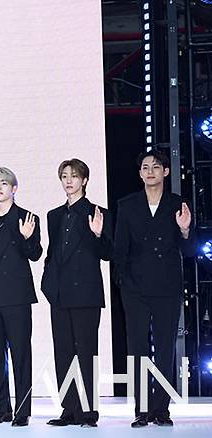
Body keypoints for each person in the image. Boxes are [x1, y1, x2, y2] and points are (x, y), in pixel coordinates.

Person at [113, 149, 195, 427]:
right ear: (140, 174)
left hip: (167, 285)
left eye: (156, 166)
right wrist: (123, 282)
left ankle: (161, 409)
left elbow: (189, 250)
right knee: (137, 348)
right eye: (145, 167)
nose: (150, 171)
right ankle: (142, 408)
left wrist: (184, 230)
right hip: (134, 288)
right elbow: (120, 249)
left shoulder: (177, 204)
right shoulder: (127, 205)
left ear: (166, 172)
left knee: (164, 348)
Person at [41, 159, 112, 428]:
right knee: (63, 352)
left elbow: (108, 253)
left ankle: (88, 411)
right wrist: (48, 282)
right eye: (64, 176)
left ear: (84, 180)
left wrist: (98, 234)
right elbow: (53, 253)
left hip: (86, 293)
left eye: (74, 175)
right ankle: (69, 409)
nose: (68, 180)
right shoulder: (54, 215)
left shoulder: (98, 212)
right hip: (59, 294)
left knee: (86, 352)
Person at [0, 167, 42, 427]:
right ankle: (1, 409)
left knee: (21, 355)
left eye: (4, 183)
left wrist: (26, 238)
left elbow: (35, 254)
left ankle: (22, 410)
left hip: (16, 298)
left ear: (14, 188)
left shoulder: (27, 217)